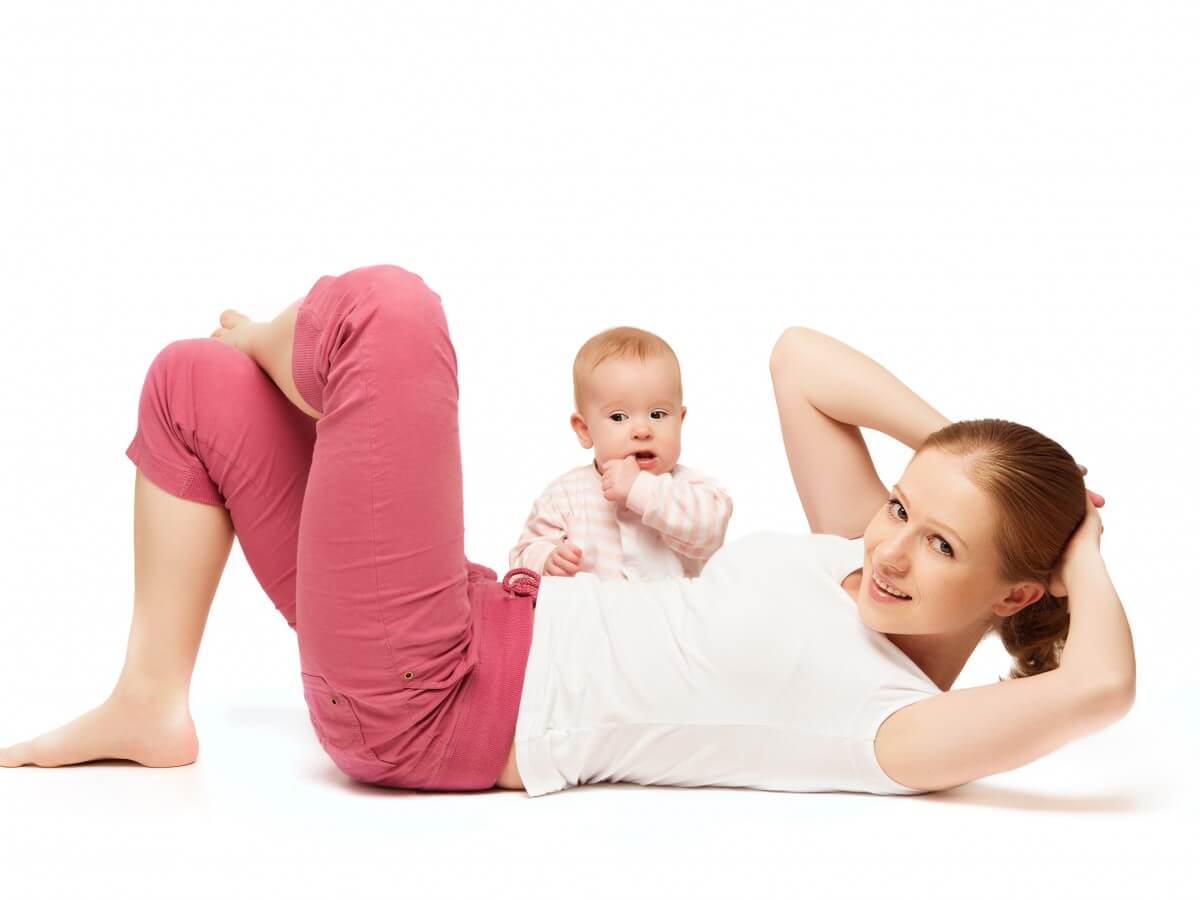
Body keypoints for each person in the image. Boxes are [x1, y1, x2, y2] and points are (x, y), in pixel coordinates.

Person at [0, 265, 1134, 797]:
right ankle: (150, 701)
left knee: (392, 312)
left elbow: (1097, 692)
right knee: (191, 383)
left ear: (1012, 597)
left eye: (941, 547)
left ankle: (284, 344)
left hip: (431, 699)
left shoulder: (897, 727)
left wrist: (1072, 536)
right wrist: (984, 467)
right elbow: (800, 358)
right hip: (468, 610)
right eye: (902, 508)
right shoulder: (854, 557)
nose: (891, 548)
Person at [508, 325, 733, 580]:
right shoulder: (565, 495)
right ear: (584, 430)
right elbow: (520, 561)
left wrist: (641, 489)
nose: (642, 430)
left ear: (680, 421)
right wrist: (546, 559)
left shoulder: (694, 489)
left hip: (674, 619)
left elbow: (710, 533)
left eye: (658, 414)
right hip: (592, 619)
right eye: (618, 417)